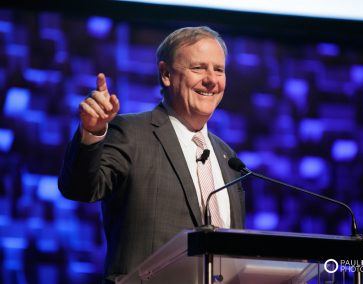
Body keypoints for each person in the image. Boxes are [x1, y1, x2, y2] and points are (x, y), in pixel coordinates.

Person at [58, 26, 245, 283]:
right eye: (198, 68)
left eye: (219, 69)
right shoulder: (131, 134)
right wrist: (92, 133)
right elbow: (79, 188)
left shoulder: (228, 158)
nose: (212, 79)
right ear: (166, 74)